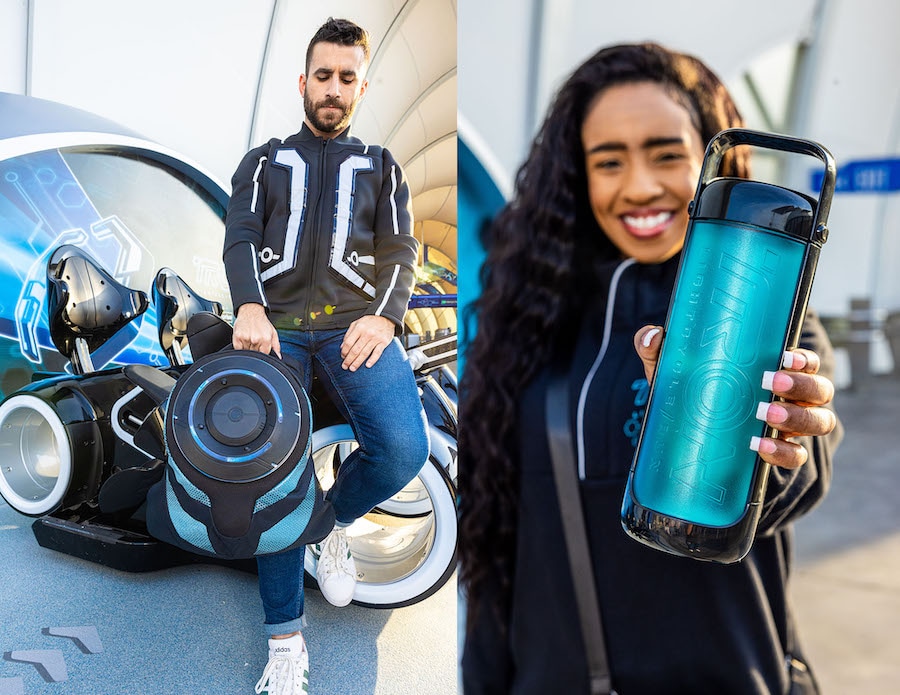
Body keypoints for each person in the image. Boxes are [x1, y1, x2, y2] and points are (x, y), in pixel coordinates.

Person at [458, 42, 842, 694]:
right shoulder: (526, 320)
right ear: (580, 177)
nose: (640, 186)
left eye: (668, 155)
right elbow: (501, 550)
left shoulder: (774, 318)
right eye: (609, 162)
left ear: (714, 166)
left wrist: (784, 442)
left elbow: (798, 473)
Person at [223, 17, 429, 694]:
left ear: (361, 85)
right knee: (272, 474)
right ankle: (285, 642)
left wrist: (387, 316)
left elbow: (402, 252)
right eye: (323, 76)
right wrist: (249, 305)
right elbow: (241, 236)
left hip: (352, 329)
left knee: (402, 447)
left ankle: (327, 522)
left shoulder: (383, 165)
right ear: (303, 82)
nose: (333, 89)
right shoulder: (261, 162)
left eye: (347, 78)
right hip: (274, 330)